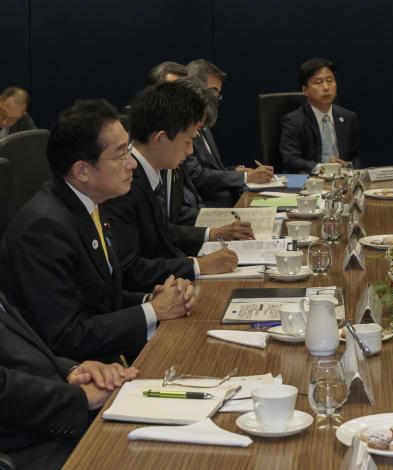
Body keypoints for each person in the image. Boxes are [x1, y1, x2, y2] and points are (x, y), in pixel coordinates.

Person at [0, 99, 195, 363]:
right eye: (120, 154)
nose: (132, 164)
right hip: (76, 376)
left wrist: (153, 298)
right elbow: (66, 336)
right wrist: (151, 311)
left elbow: (100, 297)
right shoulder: (43, 229)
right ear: (82, 170)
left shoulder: (90, 202)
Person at [0, 290, 138, 470]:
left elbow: (20, 351)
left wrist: (72, 371)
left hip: (44, 422)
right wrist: (79, 398)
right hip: (18, 453)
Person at [100, 82, 249, 287]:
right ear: (160, 139)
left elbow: (159, 233)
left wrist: (209, 236)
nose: (189, 152)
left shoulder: (151, 173)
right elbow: (128, 267)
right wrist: (198, 265)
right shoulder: (124, 183)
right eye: (187, 142)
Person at [184, 59, 274, 206]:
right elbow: (196, 176)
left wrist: (237, 171)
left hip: (227, 199)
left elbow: (211, 169)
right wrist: (245, 177)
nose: (215, 99)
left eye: (218, 94)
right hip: (210, 205)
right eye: (213, 91)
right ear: (194, 88)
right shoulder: (184, 128)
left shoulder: (205, 125)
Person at [279, 58, 360, 173]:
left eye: (330, 81)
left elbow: (355, 157)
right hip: (310, 183)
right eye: (319, 82)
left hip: (341, 181)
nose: (326, 87)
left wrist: (347, 166)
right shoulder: (293, 121)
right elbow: (291, 160)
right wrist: (323, 168)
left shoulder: (348, 118)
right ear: (305, 90)